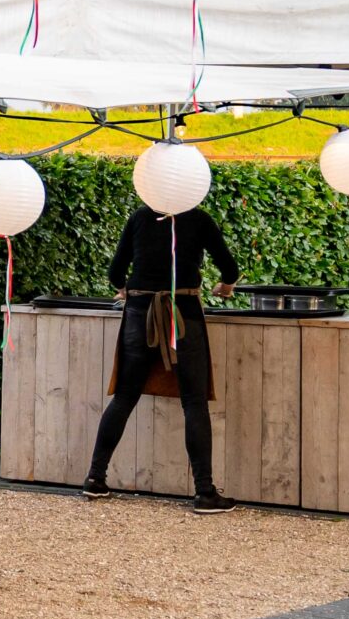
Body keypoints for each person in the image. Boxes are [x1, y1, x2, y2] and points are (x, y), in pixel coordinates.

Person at [82, 198, 242, 513]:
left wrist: (125, 288)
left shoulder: (139, 217)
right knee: (193, 403)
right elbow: (230, 269)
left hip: (139, 313)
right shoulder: (199, 219)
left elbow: (115, 274)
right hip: (183, 315)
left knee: (125, 397)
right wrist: (225, 286)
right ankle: (205, 493)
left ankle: (95, 478)